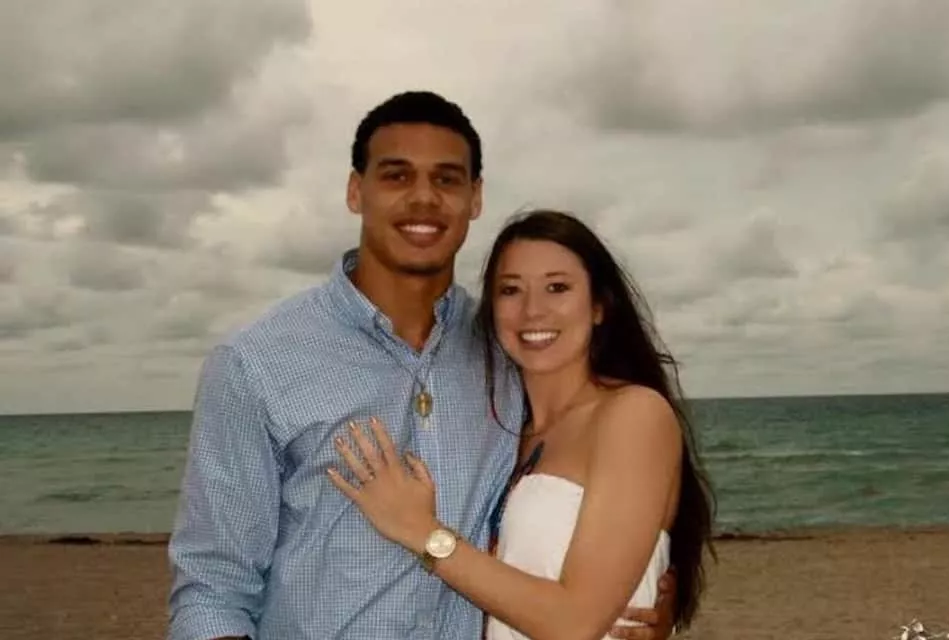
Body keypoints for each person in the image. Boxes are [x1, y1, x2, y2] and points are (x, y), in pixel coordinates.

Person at [167, 91, 675, 639]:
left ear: (474, 198)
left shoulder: (509, 353)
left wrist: (648, 594)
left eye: (447, 179)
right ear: (356, 191)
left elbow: (586, 501)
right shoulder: (256, 363)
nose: (424, 198)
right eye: (397, 176)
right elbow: (213, 589)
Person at [326, 209, 717, 640]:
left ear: (599, 306)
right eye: (511, 290)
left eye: (557, 287)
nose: (533, 310)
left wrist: (422, 531)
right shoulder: (507, 434)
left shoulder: (633, 415)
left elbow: (575, 622)